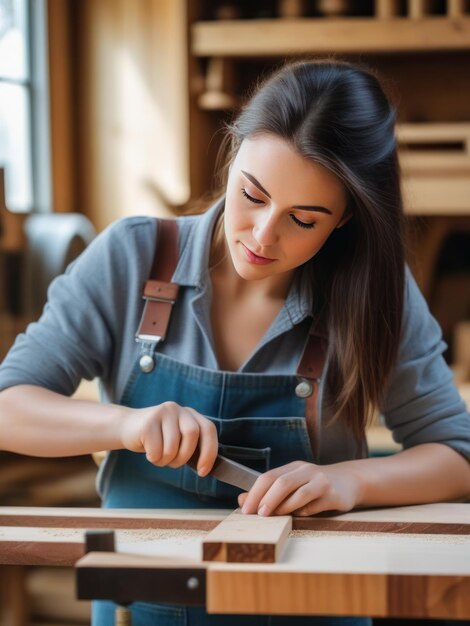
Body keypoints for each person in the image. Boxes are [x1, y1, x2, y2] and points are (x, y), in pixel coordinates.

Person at [0, 59, 469, 626]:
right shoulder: (131, 256)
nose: (263, 236)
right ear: (233, 150)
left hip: (316, 610)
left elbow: (457, 455)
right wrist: (126, 425)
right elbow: (8, 407)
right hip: (143, 608)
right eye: (253, 194)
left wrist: (348, 480)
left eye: (304, 219)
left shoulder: (375, 290)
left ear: (345, 219)